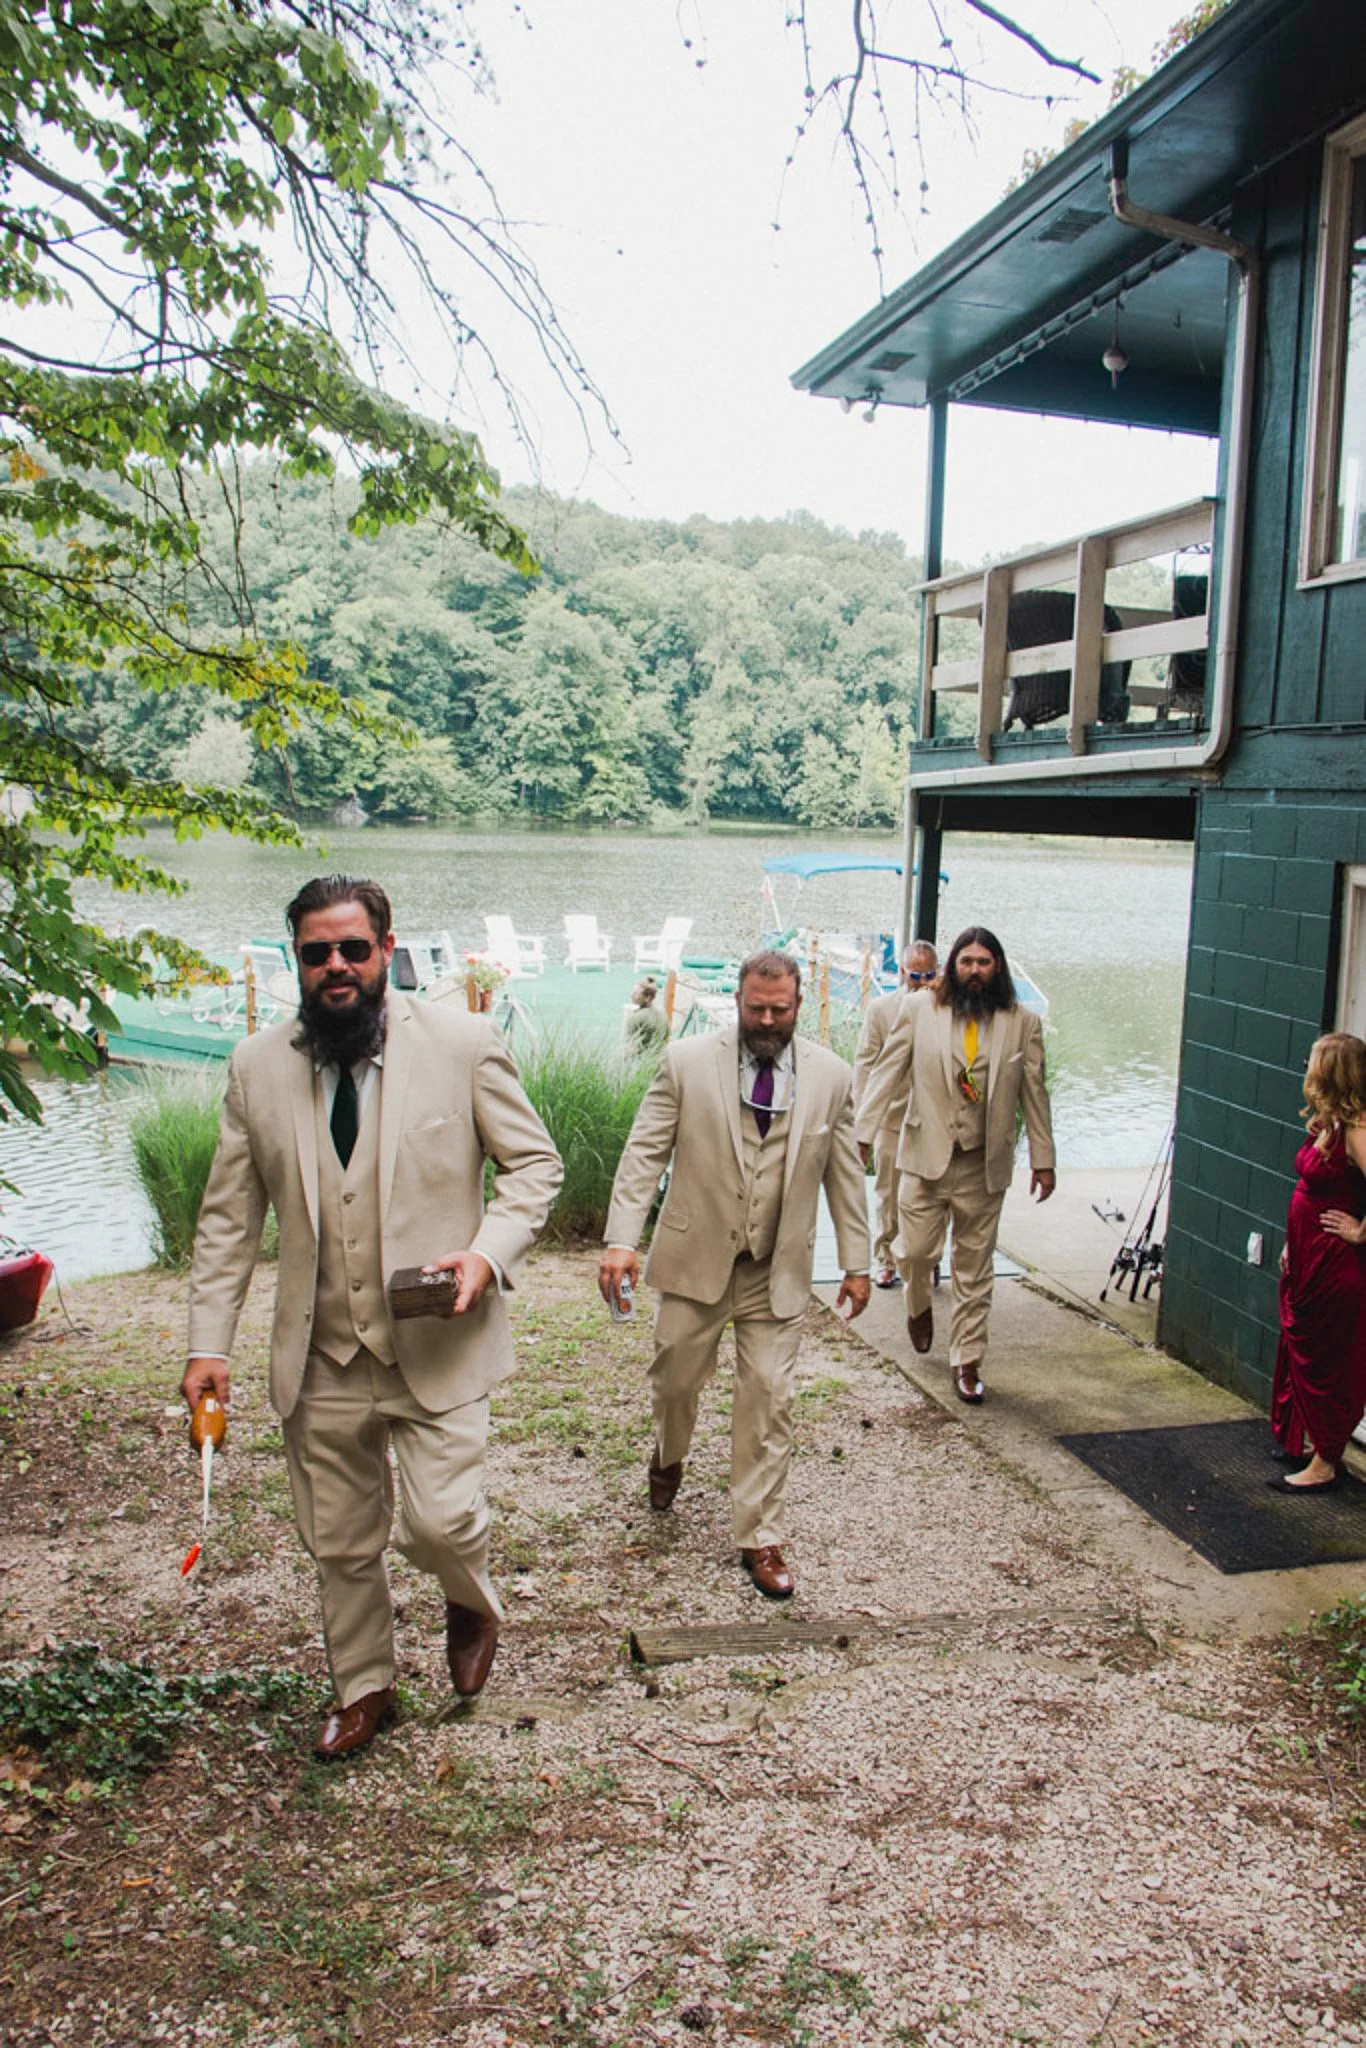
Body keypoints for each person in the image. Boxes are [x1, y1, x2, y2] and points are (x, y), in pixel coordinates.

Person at [184, 875, 562, 1761]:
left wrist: (485, 1252)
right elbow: (227, 1219)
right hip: (319, 1353)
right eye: (318, 953)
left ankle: (467, 1596)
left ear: (388, 950)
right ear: (299, 962)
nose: (338, 967)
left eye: (354, 948)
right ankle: (364, 1687)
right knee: (340, 1540)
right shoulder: (254, 1067)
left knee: (439, 1523)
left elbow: (535, 1168)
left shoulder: (465, 1044)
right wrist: (210, 1342)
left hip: (437, 1336)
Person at [598, 950, 871, 1599]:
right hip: (695, 1259)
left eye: (780, 1010)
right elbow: (644, 1150)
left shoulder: (832, 1077)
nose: (768, 1019)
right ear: (740, 1003)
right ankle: (668, 1455)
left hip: (776, 1267)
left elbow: (847, 1176)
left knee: (769, 1398)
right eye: (756, 1008)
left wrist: (858, 1263)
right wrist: (620, 1241)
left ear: (798, 1006)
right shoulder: (687, 1062)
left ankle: (761, 1536)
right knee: (675, 1378)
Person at [856, 925, 1055, 1406]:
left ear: (998, 968)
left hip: (983, 1166)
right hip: (924, 1160)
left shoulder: (1022, 1022)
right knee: (915, 1253)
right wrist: (862, 1134)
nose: (974, 971)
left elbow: (1035, 1092)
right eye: (966, 962)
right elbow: (886, 1072)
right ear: (953, 966)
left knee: (974, 1268)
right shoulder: (918, 1010)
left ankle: (967, 1360)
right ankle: (918, 1303)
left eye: (984, 963)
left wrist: (1043, 1160)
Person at [1268, 1031, 1366, 1494]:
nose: (1306, 1064)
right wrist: (1292, 1243)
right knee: (1302, 1343)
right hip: (1306, 1254)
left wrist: (1359, 1231)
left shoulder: (1359, 1127)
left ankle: (1326, 1462)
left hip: (1334, 1262)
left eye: (1313, 1059)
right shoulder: (1327, 1122)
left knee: (1328, 1358)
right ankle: (1307, 1442)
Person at [854, 939, 940, 1288]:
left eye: (929, 974)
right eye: (915, 974)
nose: (921, 981)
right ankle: (885, 1258)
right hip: (891, 1117)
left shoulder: (945, 1008)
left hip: (931, 1120)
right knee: (888, 1193)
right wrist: (862, 1122)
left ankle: (926, 1258)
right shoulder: (880, 1010)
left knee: (929, 1196)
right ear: (903, 971)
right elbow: (864, 1065)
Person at [625, 975, 670, 1056]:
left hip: (643, 1062)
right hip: (661, 1058)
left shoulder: (635, 1017)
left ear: (648, 998)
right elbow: (666, 1036)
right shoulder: (663, 1013)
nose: (631, 995)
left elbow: (630, 1046)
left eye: (636, 993)